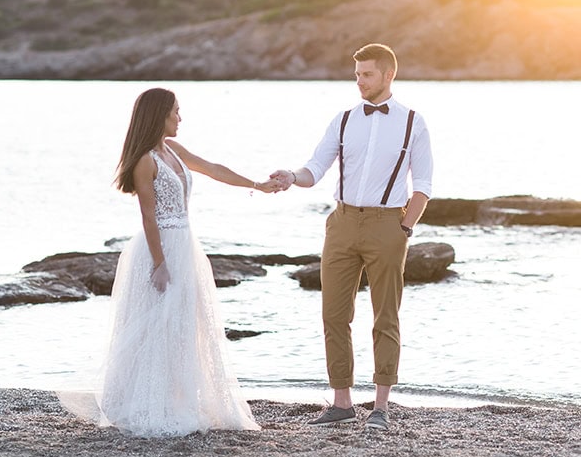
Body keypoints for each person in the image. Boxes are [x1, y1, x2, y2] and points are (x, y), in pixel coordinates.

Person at [60, 87, 279, 436]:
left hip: (185, 245)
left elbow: (212, 168)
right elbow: (148, 216)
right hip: (159, 248)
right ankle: (148, 401)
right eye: (175, 111)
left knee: (181, 326)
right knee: (156, 326)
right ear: (159, 115)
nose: (180, 117)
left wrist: (257, 184)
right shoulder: (145, 160)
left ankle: (178, 399)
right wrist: (160, 263)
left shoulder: (173, 150)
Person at [271, 44, 433, 431]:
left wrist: (404, 228)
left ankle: (380, 407)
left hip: (387, 226)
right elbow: (315, 168)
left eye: (367, 74)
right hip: (341, 223)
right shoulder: (343, 120)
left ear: (388, 75)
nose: (359, 81)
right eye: (357, 74)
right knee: (333, 314)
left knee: (385, 316)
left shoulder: (413, 122)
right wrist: (292, 178)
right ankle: (341, 403)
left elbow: (423, 184)